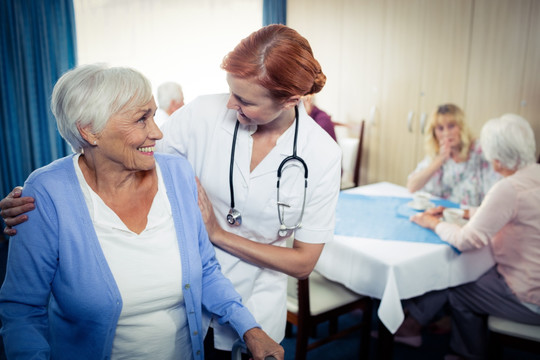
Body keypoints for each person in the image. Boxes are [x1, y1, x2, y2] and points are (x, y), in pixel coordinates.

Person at [0, 24, 342, 358]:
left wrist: (217, 235)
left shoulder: (321, 154)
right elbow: (111, 154)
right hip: (193, 314)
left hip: (248, 302)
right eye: (231, 91)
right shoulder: (203, 114)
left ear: (291, 101)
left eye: (243, 100)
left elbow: (302, 262)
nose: (229, 104)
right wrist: (42, 193)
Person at [398, 114, 540, 359]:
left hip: (529, 297)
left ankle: (465, 353)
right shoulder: (534, 174)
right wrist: (463, 211)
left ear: (496, 159)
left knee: (455, 281)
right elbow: (502, 212)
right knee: (470, 269)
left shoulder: (508, 187)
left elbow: (467, 239)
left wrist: (432, 222)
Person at [407, 103, 501, 207]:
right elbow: (412, 186)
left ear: (461, 127)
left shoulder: (478, 149)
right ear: (434, 133)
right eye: (440, 128)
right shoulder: (437, 154)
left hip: (471, 216)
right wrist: (439, 160)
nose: (446, 133)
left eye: (451, 126)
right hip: (441, 214)